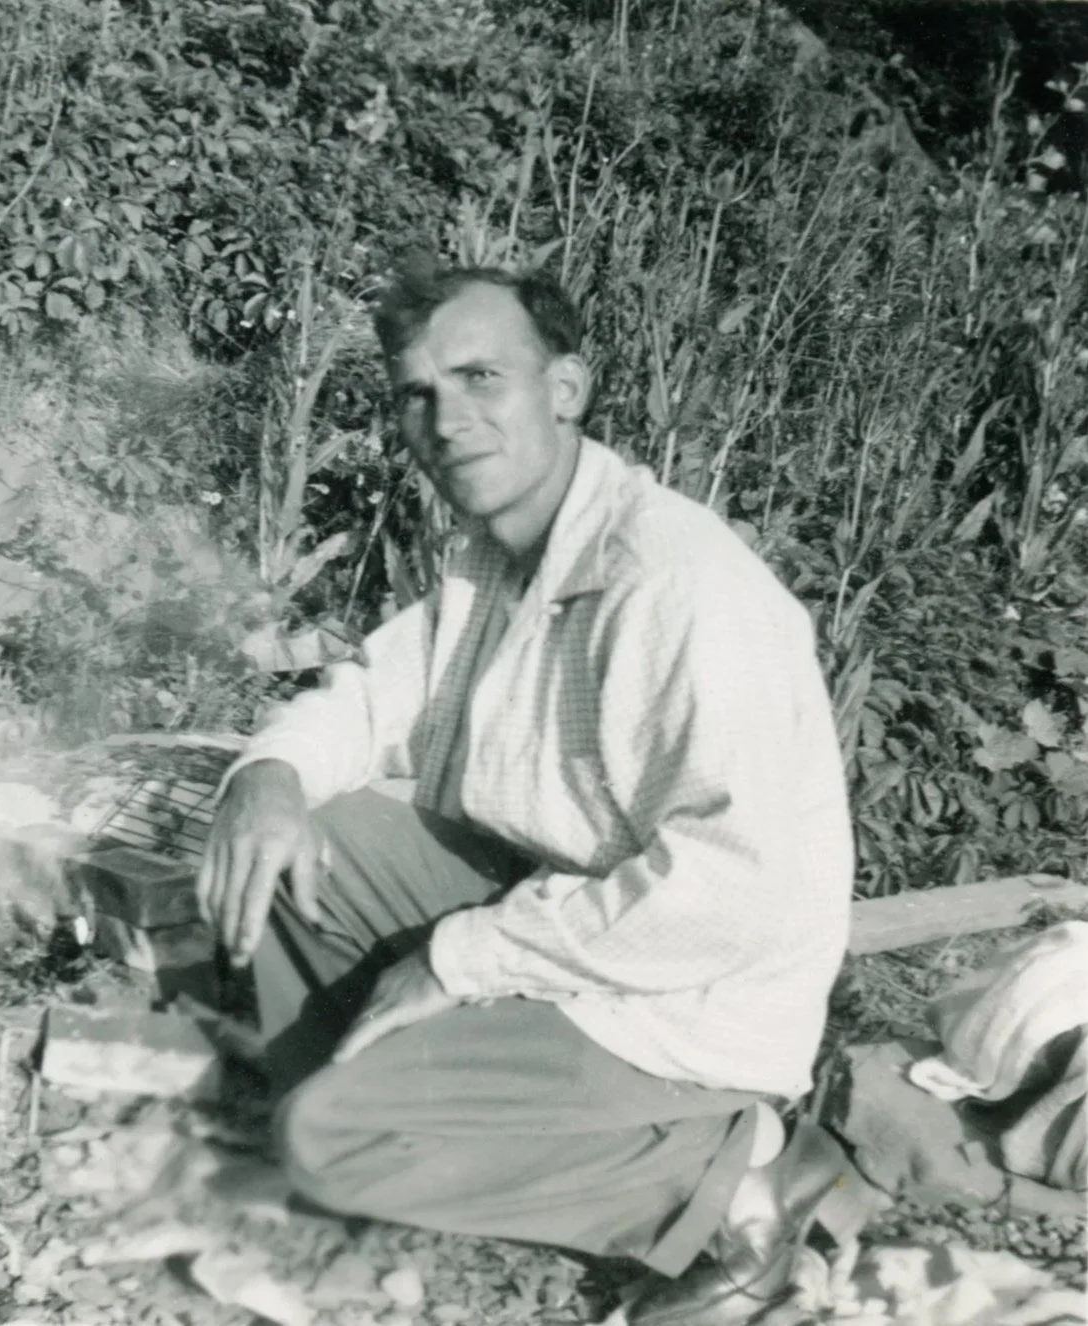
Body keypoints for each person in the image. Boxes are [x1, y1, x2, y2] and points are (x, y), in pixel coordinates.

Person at [197, 261, 869, 1325]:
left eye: (479, 378)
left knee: (324, 1142)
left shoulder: (676, 584)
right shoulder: (501, 555)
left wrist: (458, 959)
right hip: (564, 913)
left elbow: (737, 894)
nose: (446, 419)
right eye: (417, 392)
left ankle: (732, 1183)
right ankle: (416, 1120)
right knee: (306, 834)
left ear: (565, 389)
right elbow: (374, 693)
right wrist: (268, 776)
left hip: (681, 999)